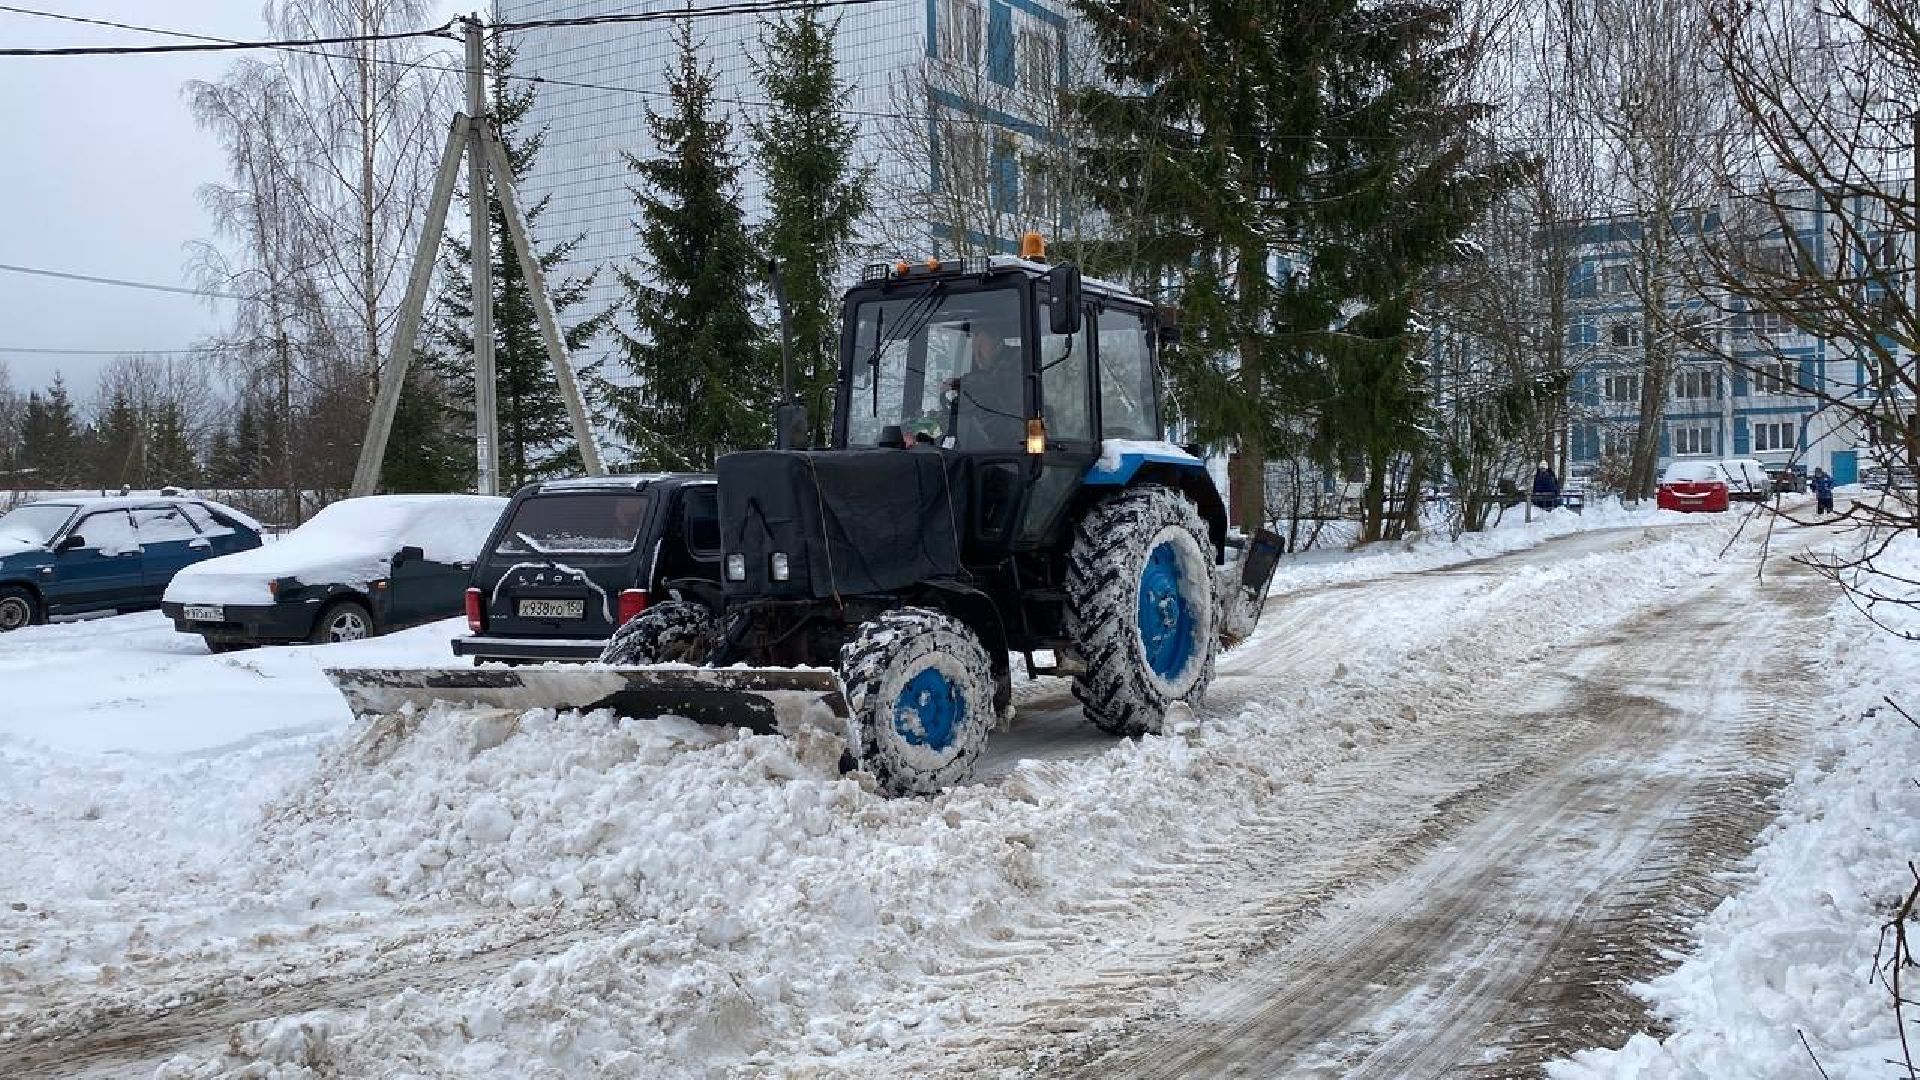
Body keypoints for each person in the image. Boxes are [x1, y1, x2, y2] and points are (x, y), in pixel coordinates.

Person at [945, 312, 1027, 448]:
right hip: (989, 443)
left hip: (1019, 444)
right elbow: (971, 406)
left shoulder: (1018, 360)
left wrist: (958, 383)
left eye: (981, 348)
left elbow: (997, 383)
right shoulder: (981, 376)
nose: (977, 356)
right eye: (974, 349)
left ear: (997, 342)